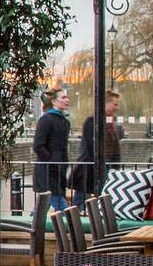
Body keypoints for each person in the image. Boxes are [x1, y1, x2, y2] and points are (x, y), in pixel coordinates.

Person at [70, 89, 124, 205]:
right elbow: (90, 148)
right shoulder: (92, 122)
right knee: (80, 203)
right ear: (105, 103)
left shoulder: (109, 123)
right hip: (90, 171)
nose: (117, 107)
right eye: (114, 104)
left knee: (87, 202)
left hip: (102, 170)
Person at [31, 87, 74, 215]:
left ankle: (31, 224)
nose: (67, 100)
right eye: (63, 97)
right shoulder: (46, 120)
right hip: (48, 171)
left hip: (58, 170)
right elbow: (38, 145)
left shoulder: (64, 122)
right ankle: (72, 228)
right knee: (61, 205)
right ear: (54, 102)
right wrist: (52, 160)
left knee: (43, 205)